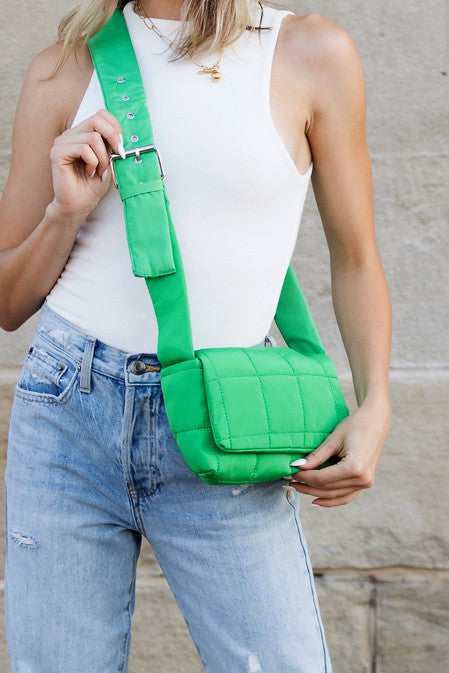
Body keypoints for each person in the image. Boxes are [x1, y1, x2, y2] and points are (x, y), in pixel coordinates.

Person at [0, 0, 392, 671]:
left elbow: (356, 255)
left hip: (227, 420)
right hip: (69, 414)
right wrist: (65, 213)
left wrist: (376, 401)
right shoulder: (64, 69)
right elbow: (10, 303)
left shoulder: (310, 53)